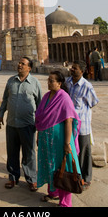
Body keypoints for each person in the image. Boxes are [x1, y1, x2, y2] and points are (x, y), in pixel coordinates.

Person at [36, 71, 81, 208]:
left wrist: (67, 143)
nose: (49, 83)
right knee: (51, 164)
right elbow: (41, 117)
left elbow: (68, 121)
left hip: (60, 139)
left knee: (63, 167)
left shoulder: (64, 98)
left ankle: (65, 202)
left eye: (52, 81)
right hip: (47, 138)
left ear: (59, 83)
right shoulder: (46, 96)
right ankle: (53, 191)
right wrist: (39, 135)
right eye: (48, 80)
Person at [0, 56, 42, 191]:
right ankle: (13, 177)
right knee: (12, 152)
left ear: (29, 67)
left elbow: (40, 104)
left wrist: (40, 125)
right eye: (19, 63)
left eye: (23, 64)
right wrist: (1, 114)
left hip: (28, 124)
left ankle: (31, 179)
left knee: (29, 153)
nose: (19, 65)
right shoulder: (11, 81)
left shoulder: (35, 83)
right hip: (12, 123)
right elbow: (5, 99)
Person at [66, 61, 99, 188]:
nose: (72, 70)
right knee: (72, 151)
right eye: (72, 67)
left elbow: (93, 102)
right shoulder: (67, 82)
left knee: (84, 151)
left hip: (82, 125)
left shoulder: (87, 86)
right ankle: (74, 175)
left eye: (75, 68)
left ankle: (86, 178)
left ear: (82, 71)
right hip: (69, 124)